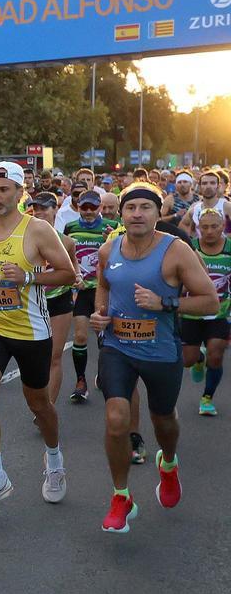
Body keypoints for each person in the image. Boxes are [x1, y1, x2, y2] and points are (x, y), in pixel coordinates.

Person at [90, 185, 218, 533]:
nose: (137, 214)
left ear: (158, 213)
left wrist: (165, 303)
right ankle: (121, 496)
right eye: (130, 207)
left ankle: (169, 463)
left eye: (145, 207)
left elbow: (210, 301)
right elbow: (104, 284)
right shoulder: (108, 249)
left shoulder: (176, 250)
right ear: (121, 214)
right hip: (117, 347)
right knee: (116, 418)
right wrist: (100, 313)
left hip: (161, 350)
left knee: (164, 420)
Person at [0, 164, 76, 511]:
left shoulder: (38, 229)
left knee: (39, 405)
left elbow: (68, 274)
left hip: (31, 331)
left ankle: (54, 461)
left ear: (19, 192)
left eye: (3, 190)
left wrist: (28, 278)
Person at [65, 190, 119, 403]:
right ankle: (81, 382)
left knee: (103, 337)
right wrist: (71, 278)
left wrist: (112, 242)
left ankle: (103, 374)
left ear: (100, 208)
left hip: (103, 290)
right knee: (80, 336)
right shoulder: (70, 227)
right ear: (78, 207)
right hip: (81, 290)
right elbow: (66, 255)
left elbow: (123, 255)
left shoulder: (112, 227)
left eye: (93, 207)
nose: (88, 212)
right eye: (84, 207)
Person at [27, 193, 80, 408]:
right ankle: (39, 402)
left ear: (55, 210)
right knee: (33, 359)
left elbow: (74, 267)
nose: (39, 212)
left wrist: (77, 278)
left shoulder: (66, 241)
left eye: (44, 208)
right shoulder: (24, 238)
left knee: (53, 357)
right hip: (32, 301)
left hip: (58, 300)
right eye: (36, 209)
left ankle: (48, 408)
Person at [182, 207, 231, 416]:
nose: (209, 231)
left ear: (223, 226)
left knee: (216, 355)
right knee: (187, 360)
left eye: (214, 226)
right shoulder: (189, 248)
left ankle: (207, 397)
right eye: (205, 227)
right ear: (198, 228)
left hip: (219, 313)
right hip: (190, 313)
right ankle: (198, 360)